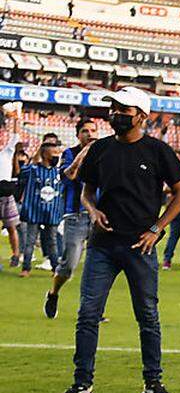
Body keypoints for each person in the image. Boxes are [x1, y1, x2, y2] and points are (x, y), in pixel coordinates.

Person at [54, 86, 180, 393]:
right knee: (88, 314)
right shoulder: (100, 149)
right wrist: (92, 209)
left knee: (148, 316)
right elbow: (87, 190)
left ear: (141, 116)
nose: (116, 114)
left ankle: (153, 382)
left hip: (140, 247)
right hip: (101, 245)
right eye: (113, 108)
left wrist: (157, 229)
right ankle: (82, 384)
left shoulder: (158, 151)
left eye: (123, 109)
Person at [45, 119, 97, 317]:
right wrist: (86, 151)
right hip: (75, 216)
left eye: (93, 130)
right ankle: (53, 293)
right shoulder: (69, 154)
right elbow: (71, 175)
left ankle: (92, 309)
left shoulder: (104, 153)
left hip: (98, 217)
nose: (90, 134)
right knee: (69, 265)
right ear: (78, 135)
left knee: (97, 266)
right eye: (85, 131)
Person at [18, 138, 65, 277]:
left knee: (52, 242)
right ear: (45, 155)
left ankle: (55, 269)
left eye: (58, 153)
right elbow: (22, 172)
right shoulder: (33, 170)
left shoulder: (59, 172)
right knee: (30, 241)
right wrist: (38, 152)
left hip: (52, 212)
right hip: (34, 211)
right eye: (53, 153)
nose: (56, 156)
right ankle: (26, 268)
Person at [0, 104, 23, 267]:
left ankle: (16, 254)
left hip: (6, 192)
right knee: (11, 226)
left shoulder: (7, 150)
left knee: (11, 226)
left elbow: (15, 135)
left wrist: (15, 118)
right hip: (4, 191)